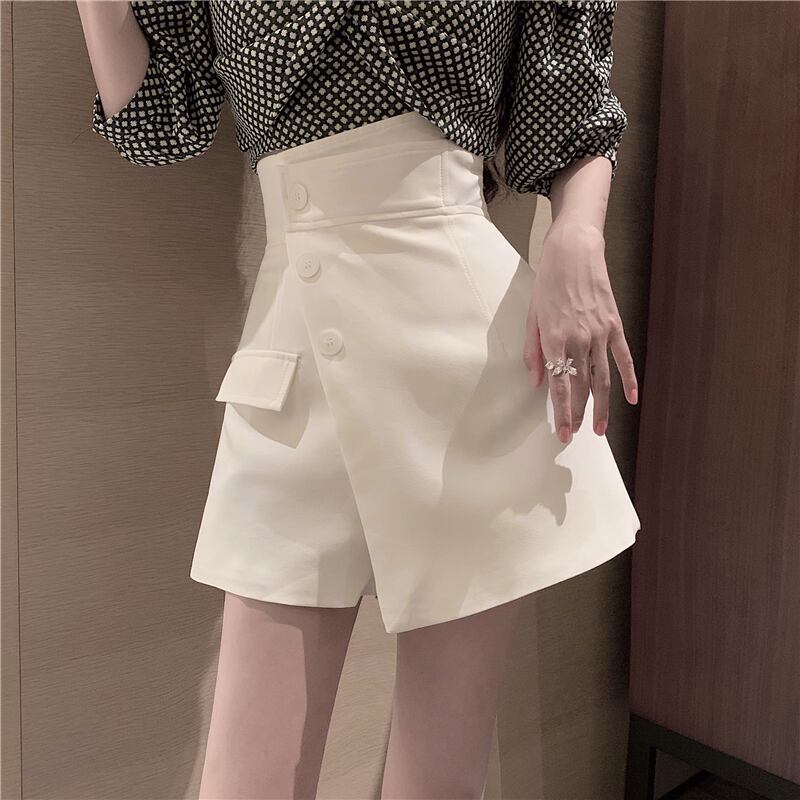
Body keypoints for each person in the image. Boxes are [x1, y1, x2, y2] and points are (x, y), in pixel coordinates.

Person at [77, 1, 641, 797]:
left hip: (463, 349)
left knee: (438, 783)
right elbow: (158, 121)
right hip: (295, 359)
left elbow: (570, 110)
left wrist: (577, 236)